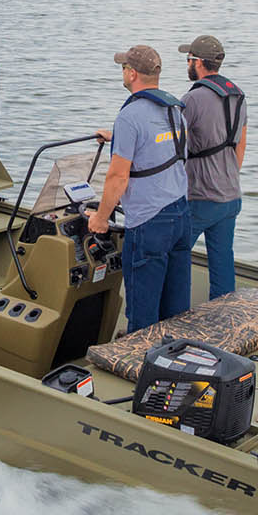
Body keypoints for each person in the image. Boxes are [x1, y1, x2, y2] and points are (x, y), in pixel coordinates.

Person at [88, 44, 194, 333]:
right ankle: (174, 363)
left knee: (142, 314)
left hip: (149, 224)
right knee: (176, 310)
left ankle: (138, 367)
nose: (122, 71)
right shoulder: (175, 110)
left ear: (132, 73)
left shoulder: (129, 117)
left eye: (123, 67)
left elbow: (117, 178)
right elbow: (160, 147)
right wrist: (117, 138)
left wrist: (100, 218)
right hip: (181, 215)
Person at [179, 34, 247, 301]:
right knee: (222, 261)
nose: (187, 64)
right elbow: (240, 144)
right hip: (231, 193)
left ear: (198, 62)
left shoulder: (193, 99)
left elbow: (168, 139)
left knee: (177, 253)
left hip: (201, 196)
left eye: (188, 59)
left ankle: (175, 317)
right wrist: (228, 175)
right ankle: (224, 319)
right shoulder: (238, 95)